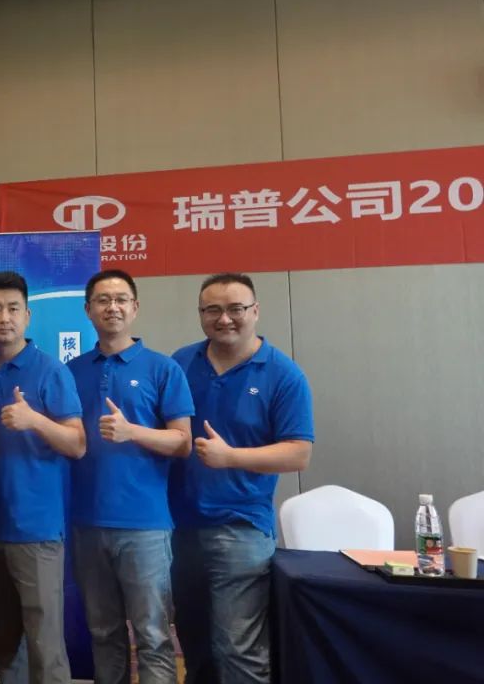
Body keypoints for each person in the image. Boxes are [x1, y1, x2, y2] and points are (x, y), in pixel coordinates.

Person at [170, 273, 314, 684]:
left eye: (236, 309)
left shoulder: (283, 374)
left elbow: (299, 453)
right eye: (212, 310)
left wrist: (230, 457)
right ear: (201, 314)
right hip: (179, 529)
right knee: (194, 644)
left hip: (241, 530)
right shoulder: (181, 363)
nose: (224, 319)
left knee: (238, 650)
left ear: (255, 311)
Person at [67, 269, 193, 684]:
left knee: (153, 635)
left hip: (145, 527)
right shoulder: (71, 371)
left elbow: (183, 442)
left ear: (135, 307)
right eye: (102, 300)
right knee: (103, 634)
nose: (112, 307)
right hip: (86, 523)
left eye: (121, 299)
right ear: (88, 310)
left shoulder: (162, 368)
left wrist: (131, 432)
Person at [0, 271, 85, 684]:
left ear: (27, 315)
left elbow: (77, 443)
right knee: (3, 643)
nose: (4, 318)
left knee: (45, 645)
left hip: (36, 529)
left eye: (13, 309)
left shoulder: (50, 370)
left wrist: (34, 420)